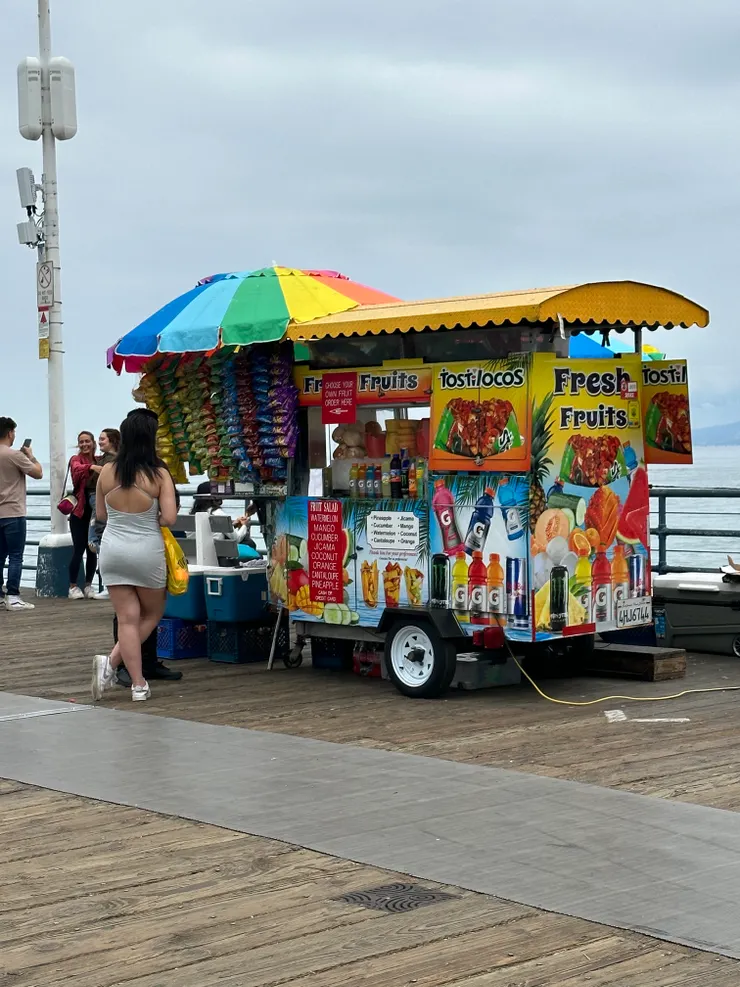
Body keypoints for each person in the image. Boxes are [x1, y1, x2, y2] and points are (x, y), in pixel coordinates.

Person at [91, 410, 177, 702]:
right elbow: (170, 518)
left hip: (113, 549)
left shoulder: (106, 471)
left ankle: (137, 683)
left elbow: (101, 515)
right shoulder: (159, 474)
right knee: (151, 613)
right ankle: (113, 665)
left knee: (126, 619)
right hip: (146, 551)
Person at [0, 417, 43, 612]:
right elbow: (38, 473)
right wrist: (31, 456)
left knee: (0, 557)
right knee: (16, 556)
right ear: (10, 433)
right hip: (13, 512)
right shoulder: (13, 455)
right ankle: (13, 596)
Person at [87, 428, 121, 600]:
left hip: (103, 501)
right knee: (98, 539)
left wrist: (93, 468)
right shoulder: (104, 459)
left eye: (102, 439)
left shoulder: (111, 462)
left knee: (96, 539)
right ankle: (109, 583)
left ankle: (110, 583)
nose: (99, 442)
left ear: (112, 441)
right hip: (98, 500)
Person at [67, 431, 100, 599]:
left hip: (95, 510)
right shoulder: (76, 460)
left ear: (93, 443)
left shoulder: (99, 459)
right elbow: (77, 470)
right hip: (79, 511)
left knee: (92, 549)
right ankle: (73, 586)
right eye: (81, 442)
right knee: (79, 549)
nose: (84, 444)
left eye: (87, 441)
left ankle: (88, 585)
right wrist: (91, 467)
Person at [191, 480, 258, 550]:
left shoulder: (193, 515)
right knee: (249, 543)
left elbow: (210, 530)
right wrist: (244, 525)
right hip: (216, 554)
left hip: (195, 552)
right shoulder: (217, 513)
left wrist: (232, 524)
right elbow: (236, 538)